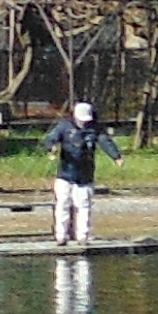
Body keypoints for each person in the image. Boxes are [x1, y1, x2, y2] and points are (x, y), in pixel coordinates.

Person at [44, 99, 117, 248]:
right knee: (63, 204)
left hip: (85, 176)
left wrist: (116, 156)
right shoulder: (64, 127)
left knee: (84, 205)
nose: (84, 123)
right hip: (65, 174)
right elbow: (51, 139)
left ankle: (83, 236)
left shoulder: (95, 129)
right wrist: (51, 148)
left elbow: (105, 142)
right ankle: (61, 236)